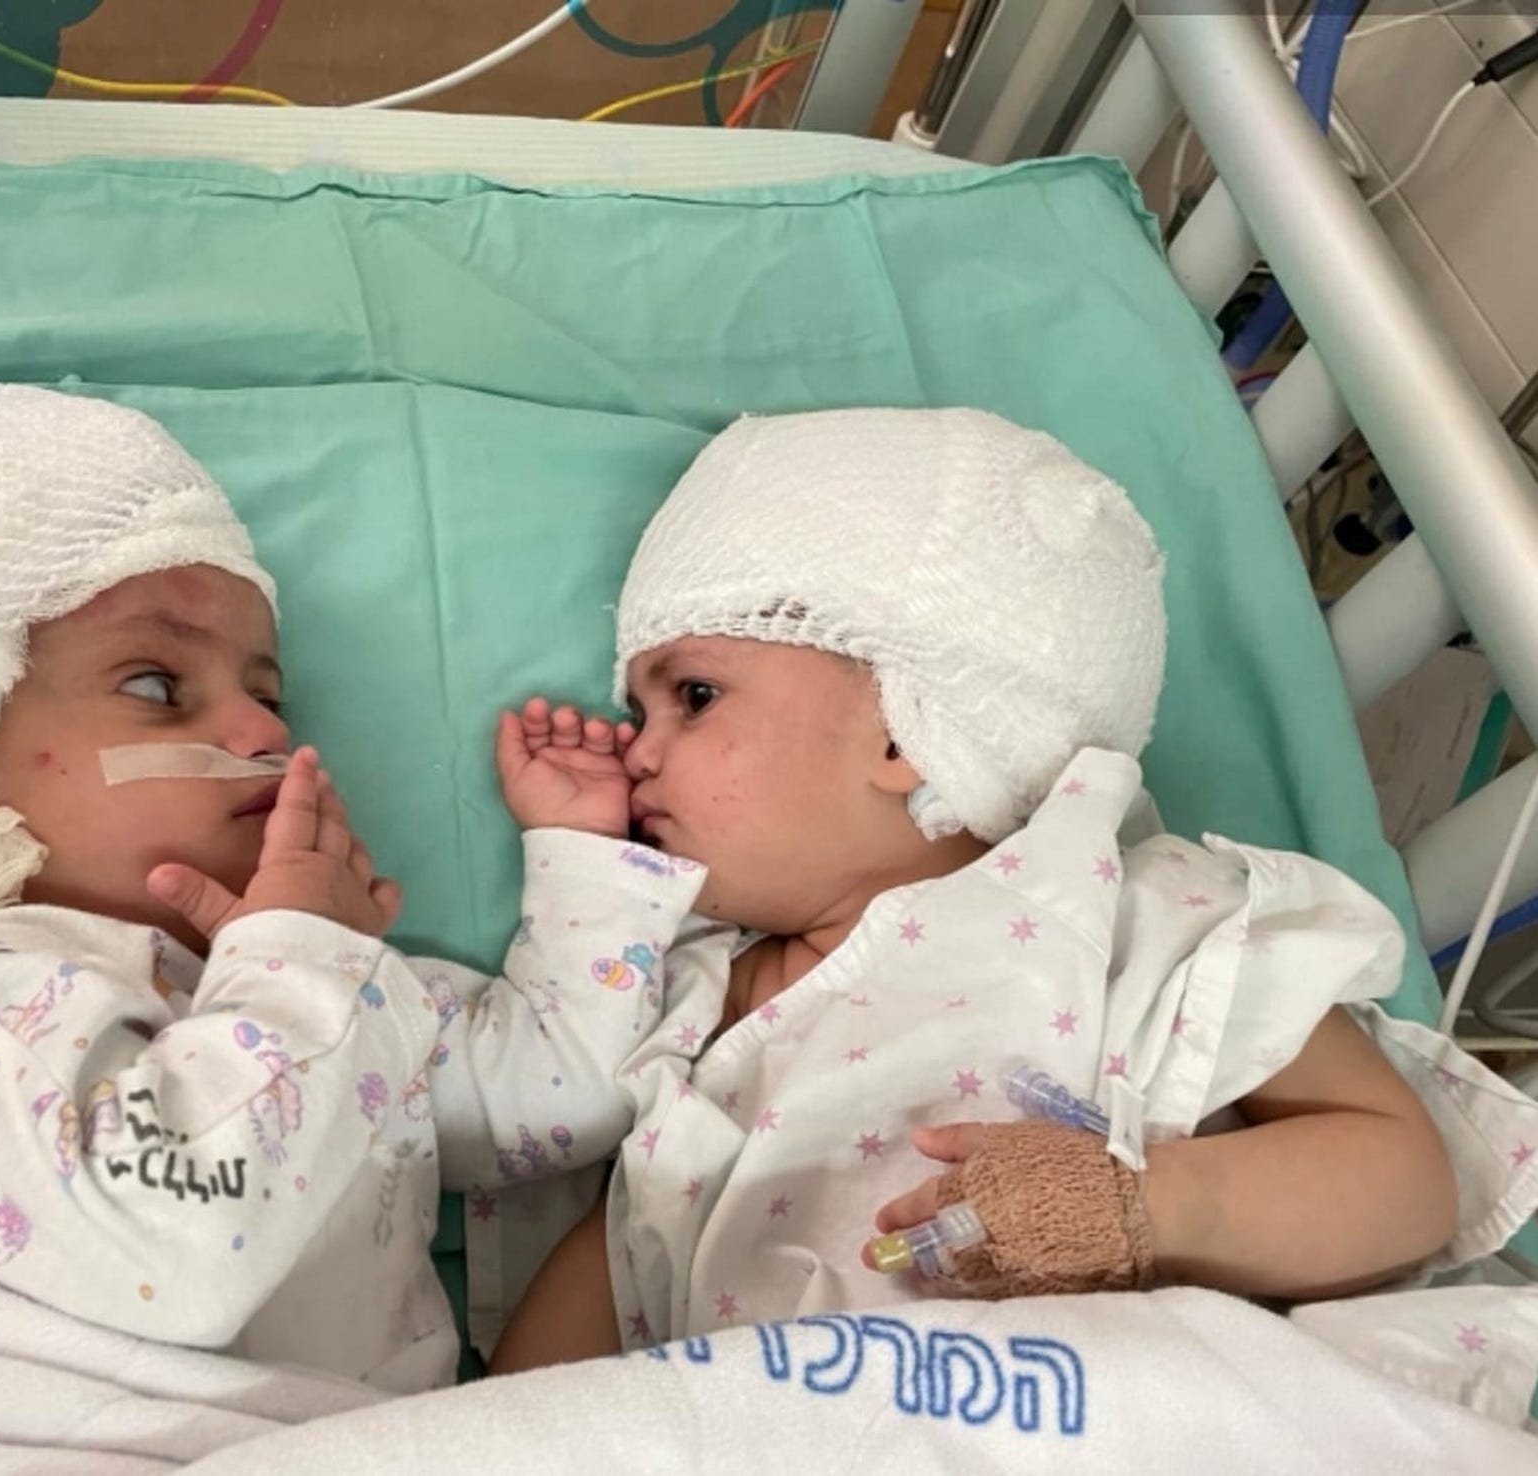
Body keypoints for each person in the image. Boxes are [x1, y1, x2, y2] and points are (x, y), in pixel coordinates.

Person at [0, 383, 709, 1393]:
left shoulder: (331, 981)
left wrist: (579, 855)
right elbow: (173, 1253)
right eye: (153, 685)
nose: (265, 732)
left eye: (272, 696)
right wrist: (303, 958)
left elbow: (563, 1092)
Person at [481, 406, 1485, 1374]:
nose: (637, 750)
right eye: (638, 707)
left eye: (691, 695)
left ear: (906, 725)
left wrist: (1146, 1209)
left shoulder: (1134, 917)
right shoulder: (691, 987)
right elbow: (621, 1246)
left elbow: (1401, 1181)